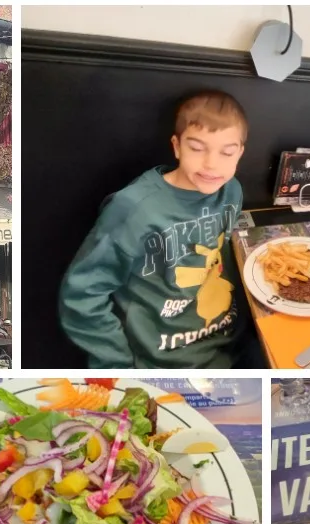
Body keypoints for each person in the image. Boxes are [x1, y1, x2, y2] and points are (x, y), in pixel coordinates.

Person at [59, 90, 247, 368]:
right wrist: (116, 363)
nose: (211, 163)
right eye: (197, 148)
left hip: (229, 349)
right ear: (177, 146)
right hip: (156, 362)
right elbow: (82, 293)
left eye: (226, 152)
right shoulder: (134, 208)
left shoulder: (231, 190)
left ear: (240, 153)